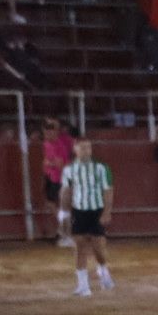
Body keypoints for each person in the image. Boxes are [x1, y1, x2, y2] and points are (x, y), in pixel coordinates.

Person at [59, 137, 115, 297]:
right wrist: (64, 212)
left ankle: (103, 270)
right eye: (82, 148)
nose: (86, 151)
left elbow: (108, 190)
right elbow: (66, 191)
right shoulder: (69, 170)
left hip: (96, 210)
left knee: (98, 247)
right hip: (79, 211)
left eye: (88, 148)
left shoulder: (101, 168)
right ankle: (83, 286)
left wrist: (106, 212)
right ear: (75, 150)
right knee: (79, 247)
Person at [40, 117, 75, 246]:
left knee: (58, 206)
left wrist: (48, 162)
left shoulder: (58, 145)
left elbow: (61, 164)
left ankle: (66, 232)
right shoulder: (47, 143)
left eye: (51, 130)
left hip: (58, 178)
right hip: (51, 177)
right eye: (46, 131)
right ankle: (65, 231)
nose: (47, 134)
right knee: (54, 205)